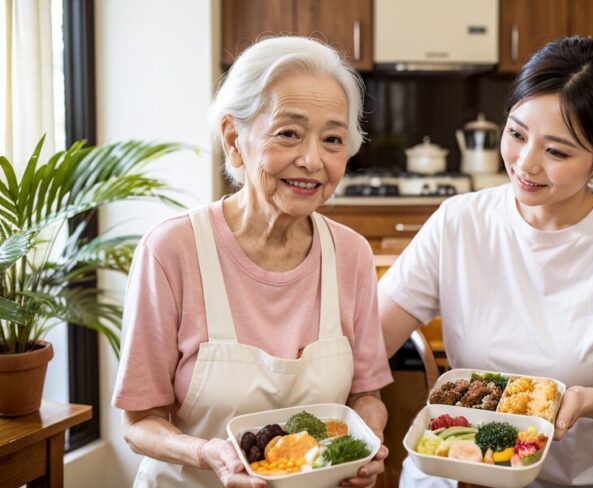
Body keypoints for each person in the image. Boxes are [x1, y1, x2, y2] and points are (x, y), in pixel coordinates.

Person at [379, 36, 593, 487]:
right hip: (460, 469)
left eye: (557, 151)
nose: (525, 164)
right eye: (516, 133)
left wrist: (586, 400)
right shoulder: (460, 221)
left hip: (584, 479)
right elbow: (372, 335)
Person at [113, 36, 393, 488]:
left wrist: (367, 441)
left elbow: (367, 394)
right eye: (289, 133)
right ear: (234, 140)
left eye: (333, 139)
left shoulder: (352, 255)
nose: (312, 160)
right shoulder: (171, 250)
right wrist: (209, 454)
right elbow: (139, 423)